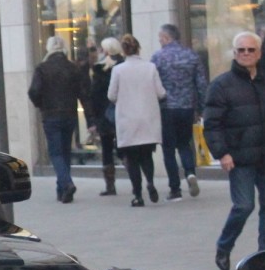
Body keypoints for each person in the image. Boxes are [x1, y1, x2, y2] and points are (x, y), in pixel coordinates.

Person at [203, 31, 265, 270]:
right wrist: (222, 153)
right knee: (243, 206)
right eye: (241, 50)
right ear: (235, 53)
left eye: (251, 50)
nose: (246, 54)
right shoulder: (221, 85)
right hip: (240, 157)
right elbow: (212, 124)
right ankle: (224, 246)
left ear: (259, 53)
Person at [28, 34, 95, 203]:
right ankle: (62, 190)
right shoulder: (73, 68)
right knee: (65, 151)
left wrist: (41, 104)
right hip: (69, 114)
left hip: (51, 114)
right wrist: (89, 120)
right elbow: (83, 95)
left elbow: (33, 91)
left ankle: (66, 183)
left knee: (56, 153)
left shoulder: (42, 68)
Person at [107, 33, 166, 207]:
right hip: (148, 118)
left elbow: (111, 95)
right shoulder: (150, 67)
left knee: (132, 159)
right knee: (146, 155)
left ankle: (137, 195)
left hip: (127, 120)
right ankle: (150, 182)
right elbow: (161, 92)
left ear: (123, 51)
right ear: (138, 48)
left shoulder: (118, 70)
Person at [151, 24, 208, 200]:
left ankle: (174, 188)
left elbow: (152, 83)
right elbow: (201, 84)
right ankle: (190, 173)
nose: (159, 40)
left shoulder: (158, 57)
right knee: (184, 143)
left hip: (166, 108)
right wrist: (201, 108)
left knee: (168, 148)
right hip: (187, 107)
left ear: (167, 38)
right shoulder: (192, 55)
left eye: (161, 37)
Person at [88, 36, 125, 195]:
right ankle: (135, 175)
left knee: (107, 149)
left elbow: (95, 95)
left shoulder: (99, 69)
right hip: (123, 112)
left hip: (104, 114)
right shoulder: (124, 64)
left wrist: (94, 118)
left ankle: (110, 185)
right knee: (126, 145)